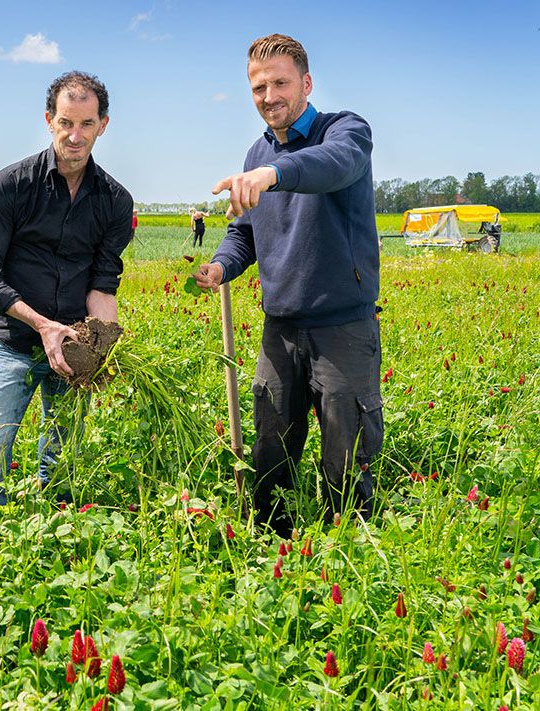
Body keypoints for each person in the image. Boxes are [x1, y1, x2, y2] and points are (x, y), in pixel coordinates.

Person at [194, 34, 383, 537]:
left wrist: (274, 173)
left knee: (346, 456)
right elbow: (245, 233)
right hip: (281, 328)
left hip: (342, 324)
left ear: (306, 82)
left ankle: (348, 552)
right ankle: (267, 549)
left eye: (280, 82)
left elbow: (330, 167)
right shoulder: (257, 151)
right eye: (259, 87)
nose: (269, 96)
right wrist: (220, 267)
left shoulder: (343, 132)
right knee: (270, 449)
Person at [0, 71, 134, 504]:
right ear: (49, 120)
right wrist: (43, 325)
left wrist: (104, 349)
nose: (75, 136)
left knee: (64, 467)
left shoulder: (115, 201)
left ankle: (53, 533)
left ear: (103, 125)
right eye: (65, 123)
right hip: (18, 345)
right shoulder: (12, 186)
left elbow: (103, 281)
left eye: (86, 124)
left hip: (74, 352)